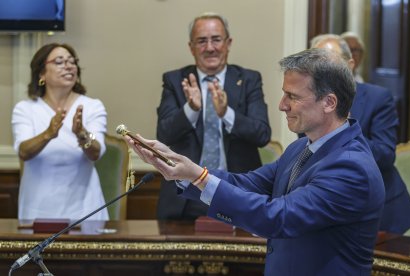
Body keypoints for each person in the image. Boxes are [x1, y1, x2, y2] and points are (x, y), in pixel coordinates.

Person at [126, 48, 385, 275]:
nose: (282, 105)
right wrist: (185, 170)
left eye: (292, 96)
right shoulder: (300, 148)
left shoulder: (351, 167)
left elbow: (278, 217)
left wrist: (199, 178)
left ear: (329, 102)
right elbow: (247, 183)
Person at [156, 12, 271, 220]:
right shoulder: (174, 80)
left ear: (228, 43)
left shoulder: (248, 80)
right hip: (185, 198)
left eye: (216, 39)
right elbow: (164, 134)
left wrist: (226, 113)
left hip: (235, 193)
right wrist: (191, 109)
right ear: (191, 47)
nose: (210, 48)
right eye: (202, 41)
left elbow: (262, 134)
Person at [310, 33, 410, 234]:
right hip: (331, 207)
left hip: (382, 213)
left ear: (349, 65)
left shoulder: (377, 98)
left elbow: (385, 155)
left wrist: (342, 130)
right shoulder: (311, 103)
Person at [11, 43, 109, 220]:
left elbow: (96, 151)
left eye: (72, 61)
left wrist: (82, 134)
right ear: (41, 73)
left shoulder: (92, 106)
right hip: (38, 209)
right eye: (59, 62)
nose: (69, 66)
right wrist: (48, 134)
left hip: (85, 208)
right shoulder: (25, 109)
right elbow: (23, 151)